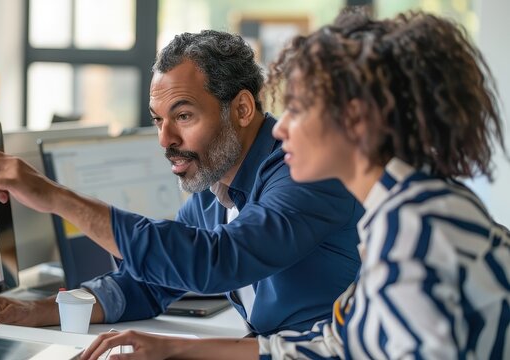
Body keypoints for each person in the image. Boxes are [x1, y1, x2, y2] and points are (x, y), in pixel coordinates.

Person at [78, 9, 510, 360]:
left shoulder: (416, 230)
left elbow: (221, 259)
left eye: (299, 110)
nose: (281, 130)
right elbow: (335, 345)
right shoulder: (401, 214)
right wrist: (177, 350)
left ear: (354, 120)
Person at [0, 30, 362, 335]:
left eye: (183, 116)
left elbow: (215, 262)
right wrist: (38, 311)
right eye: (157, 120)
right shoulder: (214, 188)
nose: (165, 140)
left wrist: (57, 198)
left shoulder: (305, 171)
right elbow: (147, 283)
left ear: (241, 108)